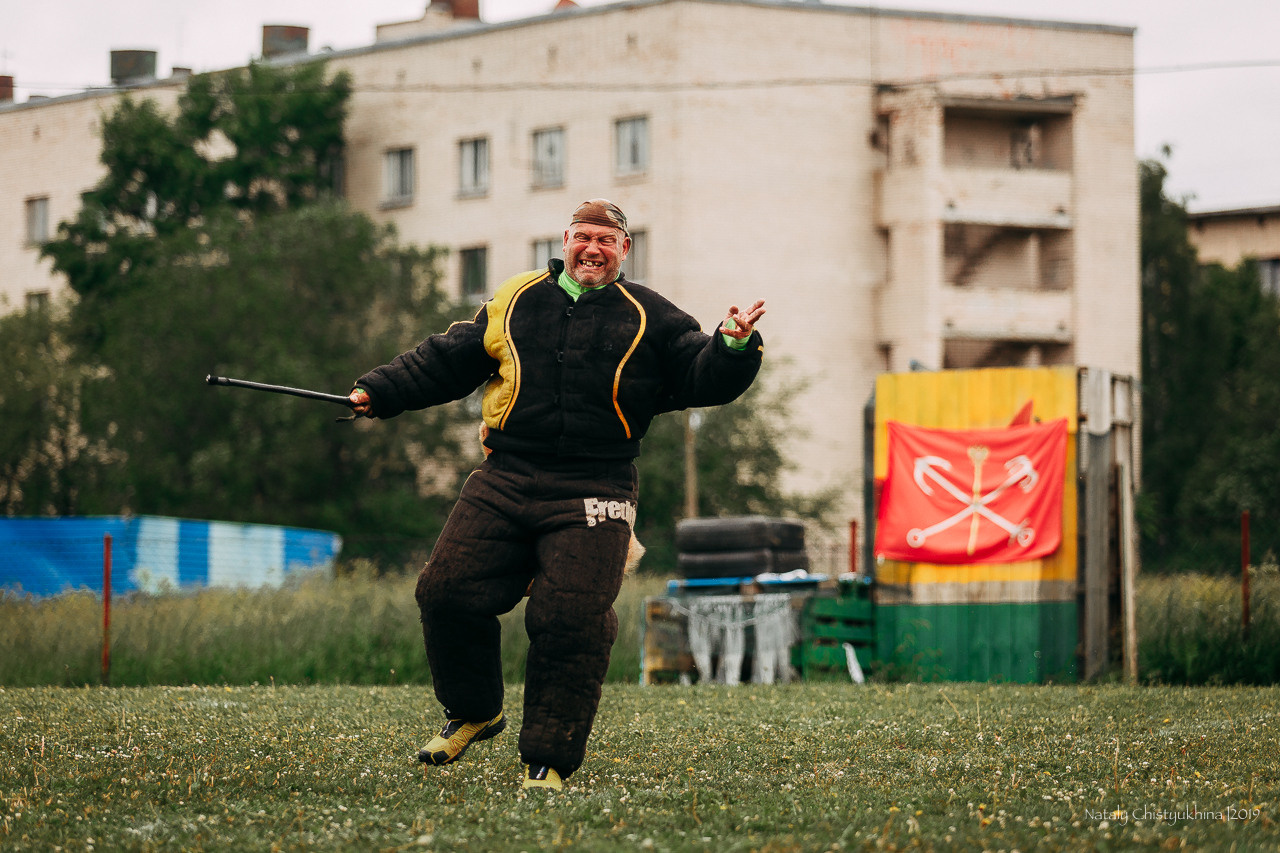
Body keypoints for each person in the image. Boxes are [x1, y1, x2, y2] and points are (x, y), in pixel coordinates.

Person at [348, 199, 765, 791]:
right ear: (565, 241)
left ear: (625, 250)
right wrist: (377, 391)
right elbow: (448, 357)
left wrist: (732, 344)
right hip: (505, 473)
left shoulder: (650, 315)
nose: (593, 248)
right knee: (445, 591)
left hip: (598, 485)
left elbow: (701, 372)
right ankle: (474, 710)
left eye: (607, 239)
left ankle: (548, 759)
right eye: (583, 236)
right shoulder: (516, 298)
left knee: (570, 619)